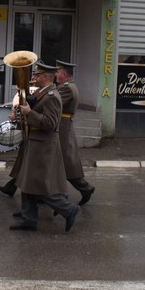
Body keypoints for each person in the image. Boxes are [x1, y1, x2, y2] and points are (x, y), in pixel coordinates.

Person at [9, 62, 80, 232]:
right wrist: (18, 117)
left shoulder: (52, 97)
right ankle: (29, 218)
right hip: (35, 142)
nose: (34, 77)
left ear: (47, 77)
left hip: (43, 145)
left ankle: (69, 209)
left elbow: (50, 123)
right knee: (27, 182)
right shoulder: (43, 93)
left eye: (37, 75)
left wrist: (29, 113)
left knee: (38, 185)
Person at [55, 60, 95, 204]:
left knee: (64, 162)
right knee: (62, 161)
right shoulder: (68, 86)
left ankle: (84, 188)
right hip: (63, 125)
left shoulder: (67, 88)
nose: (55, 74)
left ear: (64, 74)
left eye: (57, 72)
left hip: (62, 127)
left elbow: (54, 104)